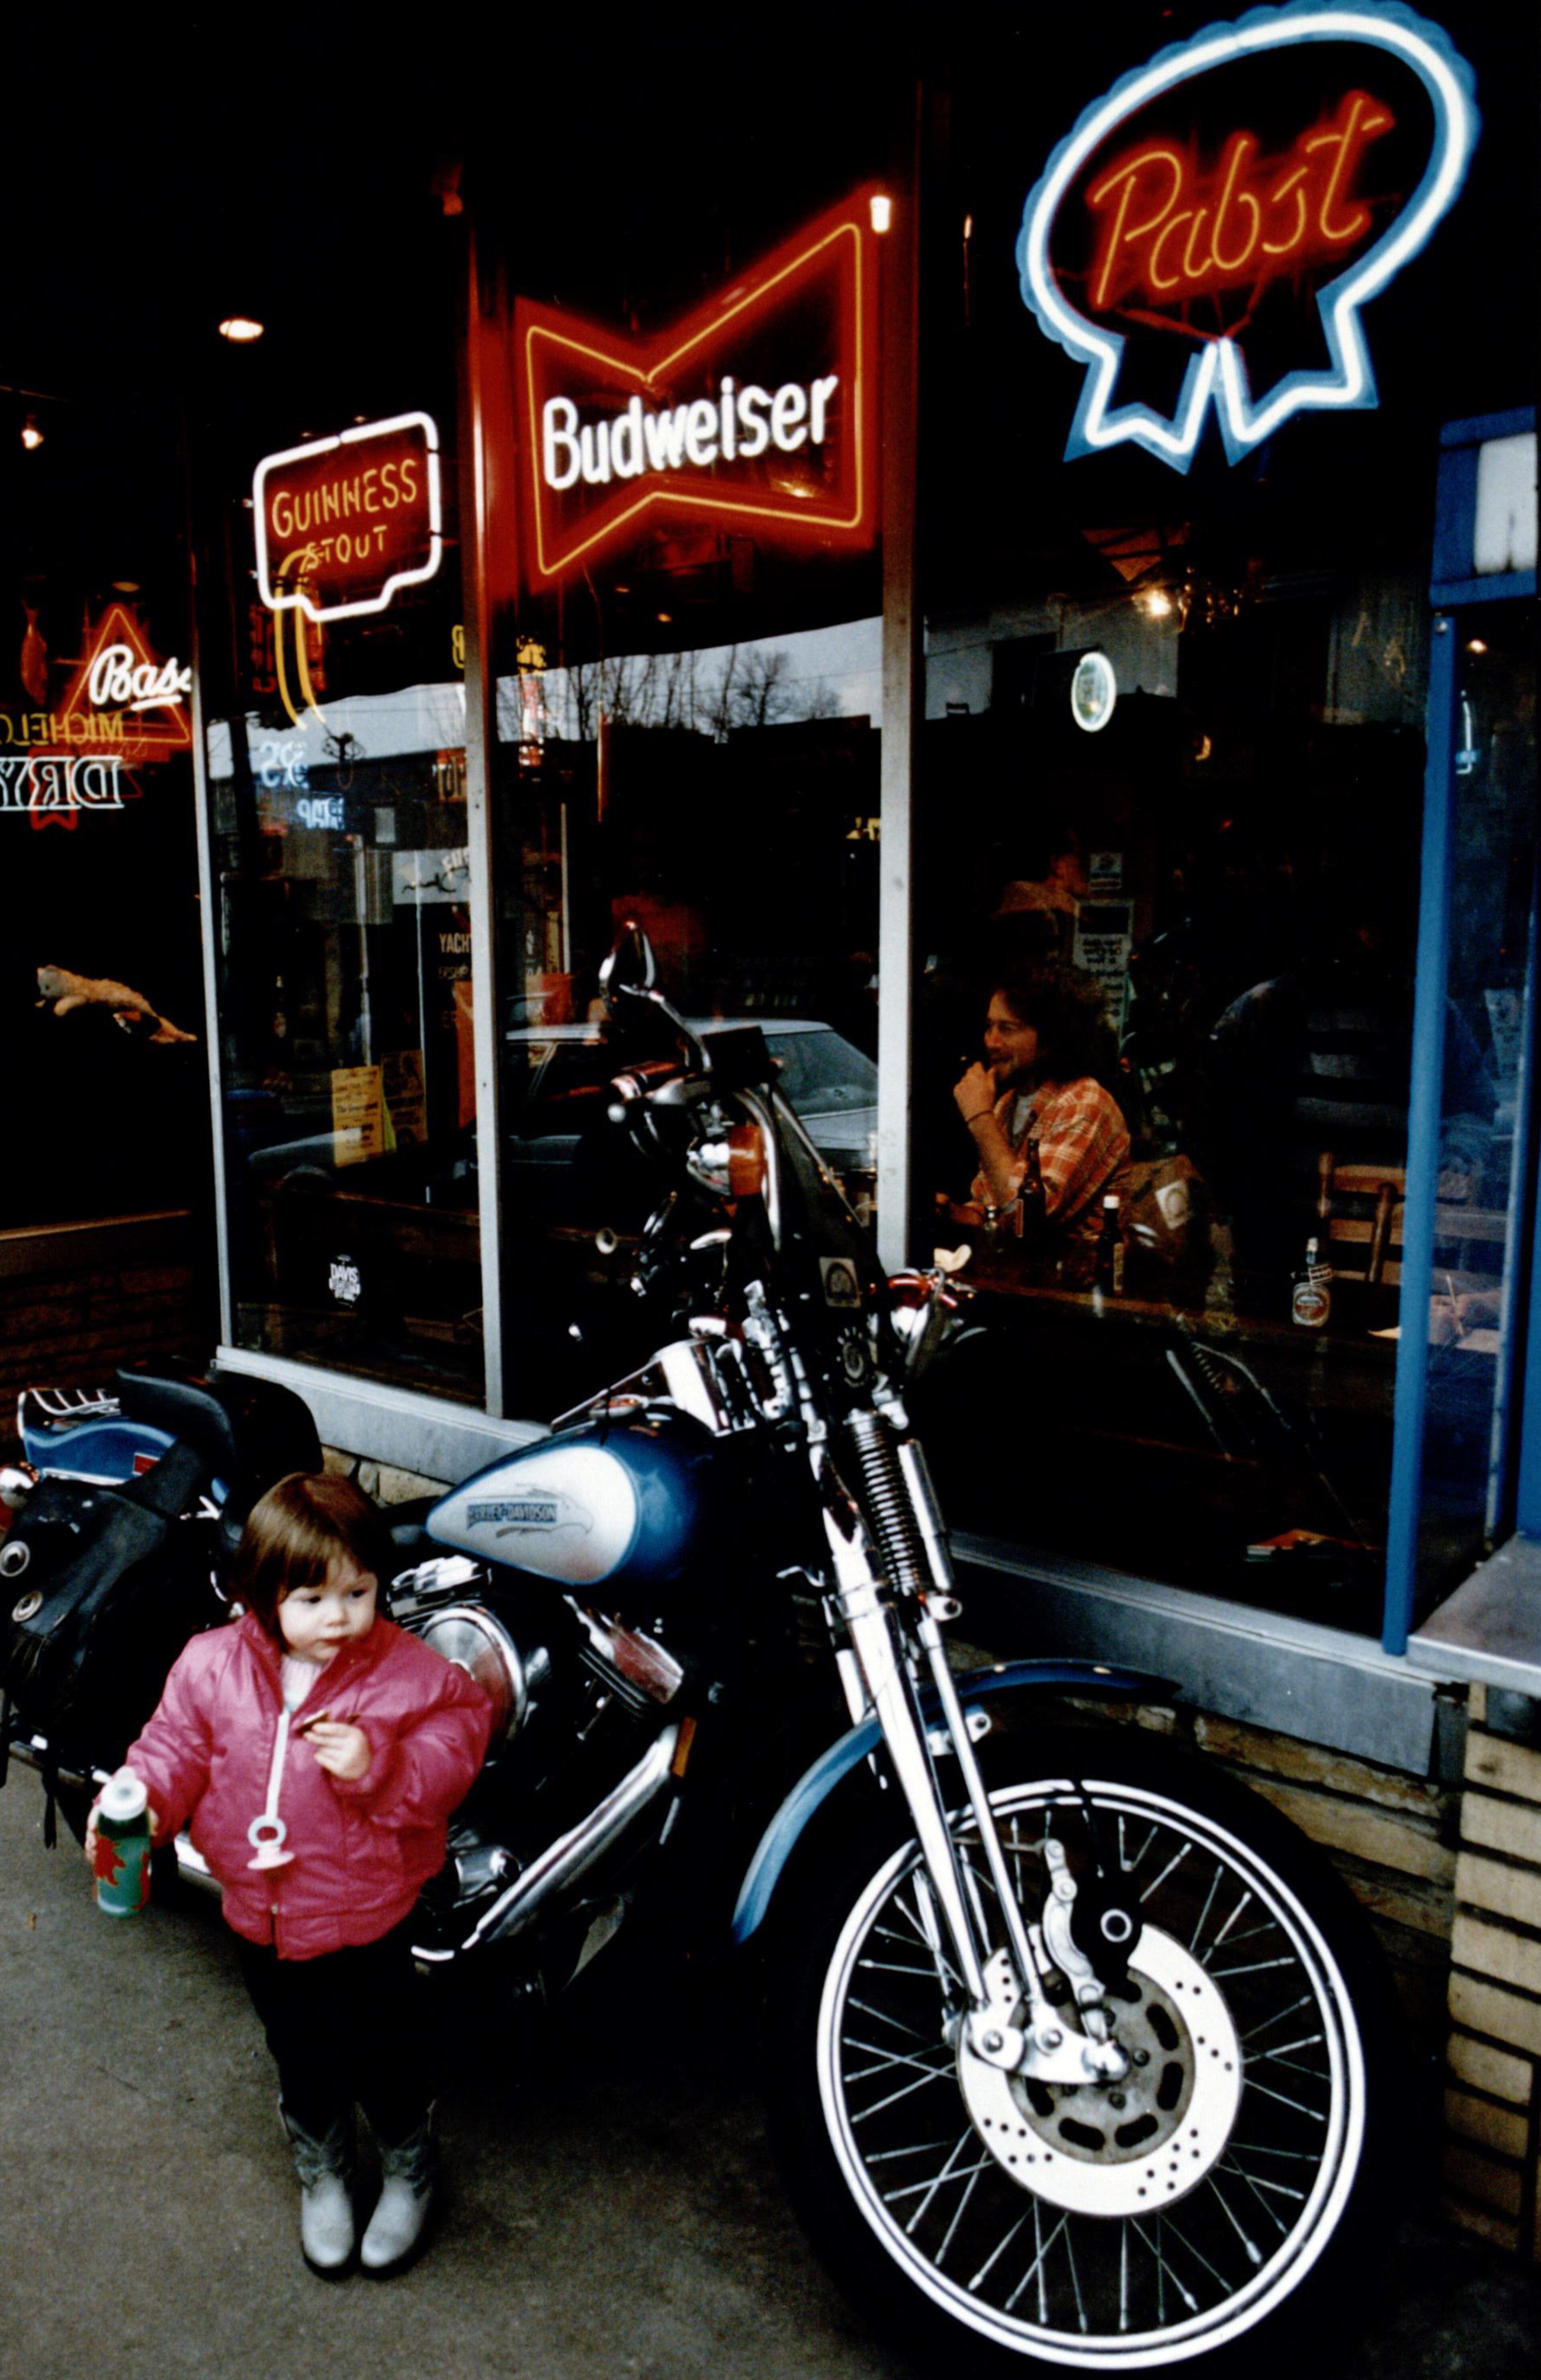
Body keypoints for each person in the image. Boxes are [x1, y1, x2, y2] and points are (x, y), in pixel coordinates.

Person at [84, 1472, 492, 2278]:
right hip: (259, 1914)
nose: (338, 1616)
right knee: (300, 2050)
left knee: (385, 2049)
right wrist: (138, 1803)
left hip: (370, 1909)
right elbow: (173, 1752)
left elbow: (458, 1744)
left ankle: (409, 2167)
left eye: (358, 1591)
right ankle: (326, 2170)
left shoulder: (410, 1673)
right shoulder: (210, 1668)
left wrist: (383, 1764)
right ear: (261, 1595)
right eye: (311, 1598)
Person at [949, 961, 1130, 1283]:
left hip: (1075, 1301)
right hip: (1019, 1286)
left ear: (1050, 1038)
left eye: (1007, 1028)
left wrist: (979, 1118)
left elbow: (1026, 1217)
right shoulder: (1008, 1103)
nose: (991, 1041)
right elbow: (993, 1209)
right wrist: (948, 1212)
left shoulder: (1085, 1102)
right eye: (989, 1026)